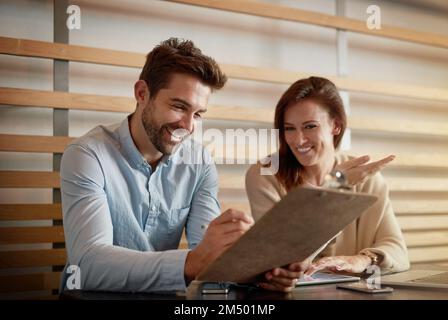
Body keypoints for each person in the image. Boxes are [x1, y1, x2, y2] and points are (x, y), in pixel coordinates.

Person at [60, 38, 307, 293]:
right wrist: (190, 263)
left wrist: (264, 272)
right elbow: (87, 265)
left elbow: (212, 261)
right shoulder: (87, 155)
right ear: (142, 94)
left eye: (198, 114)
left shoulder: (199, 163)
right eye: (179, 106)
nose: (189, 126)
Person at [246, 76, 410, 292]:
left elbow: (398, 251)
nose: (298, 140)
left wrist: (361, 260)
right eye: (289, 128)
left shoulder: (366, 179)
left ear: (336, 126)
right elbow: (285, 258)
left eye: (310, 126)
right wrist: (334, 187)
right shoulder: (265, 174)